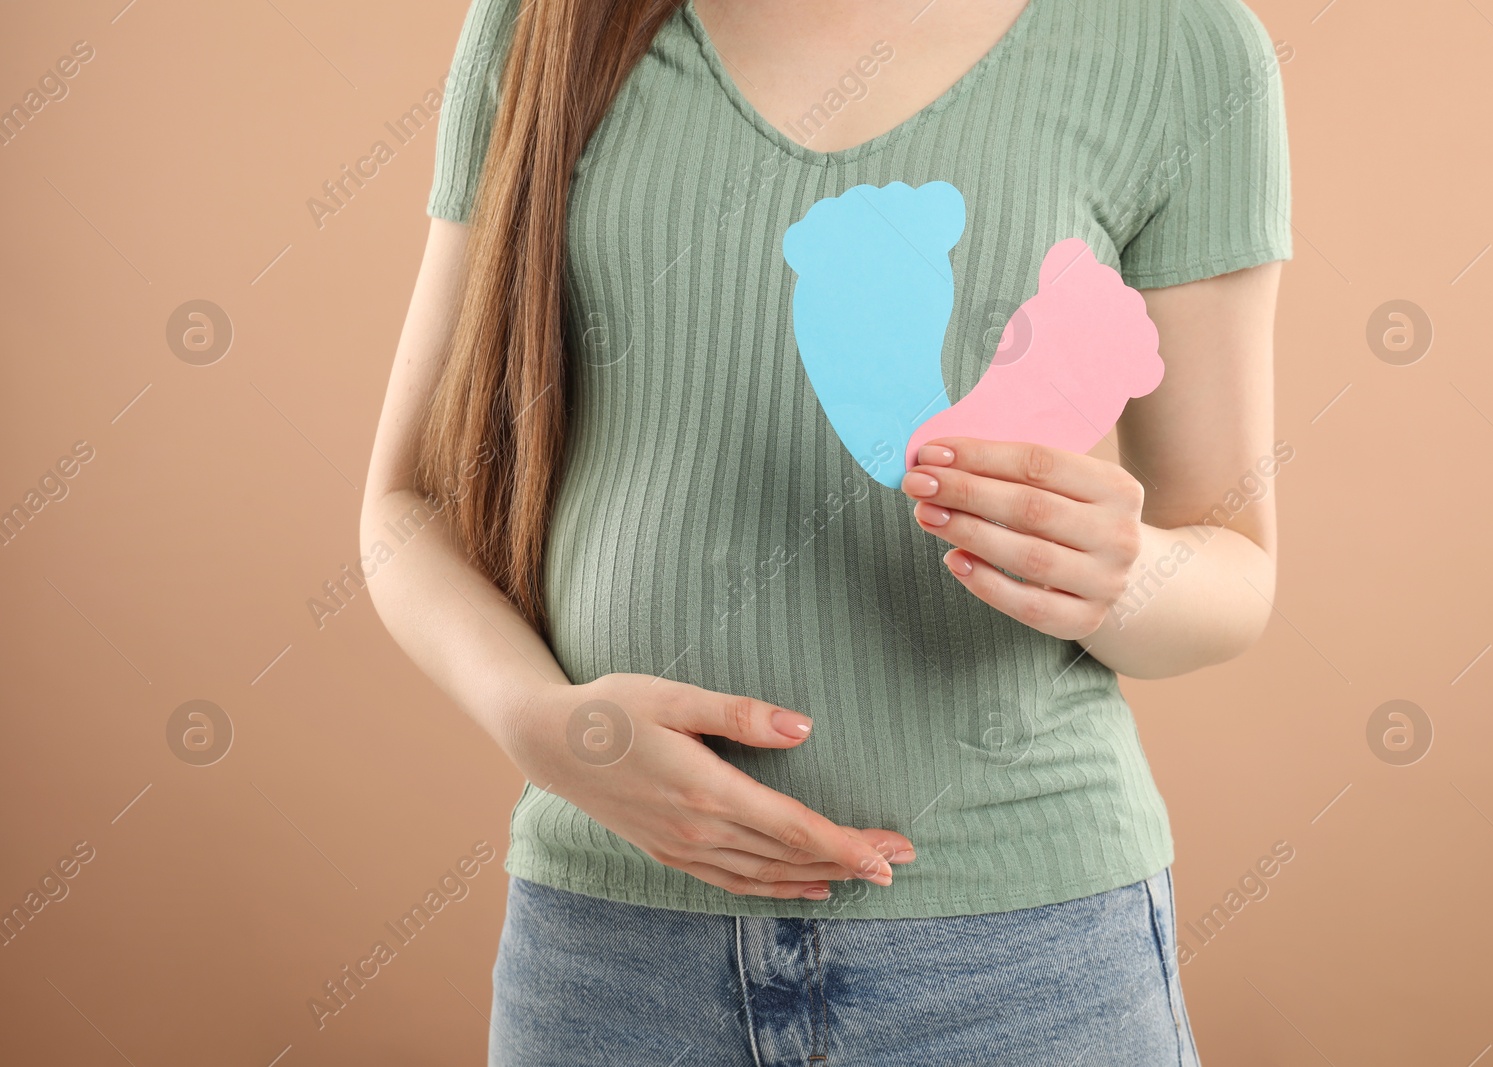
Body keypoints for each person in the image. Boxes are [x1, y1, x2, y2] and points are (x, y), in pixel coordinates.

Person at [360, 0, 1291, 1062]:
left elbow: (1235, 566)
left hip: (1022, 966)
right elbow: (410, 503)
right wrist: (539, 721)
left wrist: (1127, 572)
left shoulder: (1171, 42)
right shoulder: (544, 23)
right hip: (613, 960)